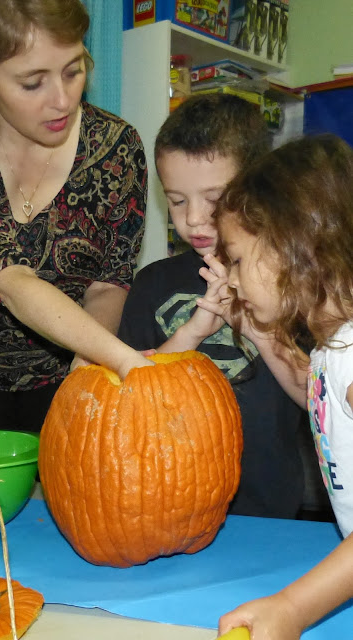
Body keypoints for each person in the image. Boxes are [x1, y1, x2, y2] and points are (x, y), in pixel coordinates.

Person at [0, 0, 152, 434]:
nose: (63, 100)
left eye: (73, 70)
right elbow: (11, 282)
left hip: (65, 373)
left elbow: (109, 282)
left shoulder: (117, 149)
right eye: (33, 83)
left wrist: (88, 359)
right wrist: (126, 361)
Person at [118, 93, 307, 519]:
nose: (194, 219)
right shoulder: (153, 284)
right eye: (177, 200)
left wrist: (254, 324)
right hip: (170, 506)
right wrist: (190, 334)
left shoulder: (292, 283)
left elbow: (317, 401)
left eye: (215, 198)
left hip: (270, 511)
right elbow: (130, 403)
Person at [206, 133, 353, 639]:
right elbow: (316, 398)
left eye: (239, 260)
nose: (232, 280)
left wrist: (292, 607)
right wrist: (261, 332)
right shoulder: (334, 348)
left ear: (296, 248)